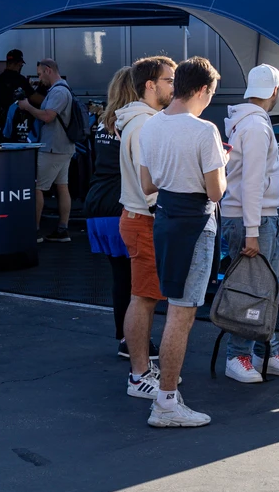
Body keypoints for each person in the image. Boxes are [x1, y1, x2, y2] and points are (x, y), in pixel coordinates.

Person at [137, 56, 224, 428]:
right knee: (181, 314)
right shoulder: (204, 131)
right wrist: (223, 164)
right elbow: (216, 191)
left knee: (174, 307)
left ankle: (167, 399)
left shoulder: (151, 126)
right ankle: (166, 403)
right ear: (202, 90)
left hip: (165, 220)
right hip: (193, 224)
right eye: (211, 94)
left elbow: (146, 186)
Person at [220, 64, 279, 384]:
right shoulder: (255, 126)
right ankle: (238, 355)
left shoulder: (247, 123)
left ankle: (262, 351)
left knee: (259, 289)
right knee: (253, 289)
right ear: (276, 91)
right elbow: (252, 183)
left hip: (251, 217)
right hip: (252, 219)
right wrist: (252, 231)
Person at [117, 56, 175, 400]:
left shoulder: (145, 121)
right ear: (149, 85)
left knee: (146, 297)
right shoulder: (144, 125)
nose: (174, 86)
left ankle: (142, 371)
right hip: (145, 220)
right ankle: (139, 375)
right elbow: (149, 184)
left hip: (144, 219)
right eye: (169, 80)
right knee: (144, 298)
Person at [83, 67, 138, 358]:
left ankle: (124, 337)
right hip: (122, 206)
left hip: (98, 204)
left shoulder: (104, 123)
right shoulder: (136, 124)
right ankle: (132, 341)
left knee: (121, 278)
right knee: (135, 282)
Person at [22, 58, 78, 242]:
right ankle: (62, 229)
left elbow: (48, 116)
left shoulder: (59, 92)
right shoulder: (62, 90)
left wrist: (28, 107)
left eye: (39, 74)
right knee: (62, 187)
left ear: (48, 70)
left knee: (38, 187)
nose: (39, 79)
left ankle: (35, 231)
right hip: (63, 147)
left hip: (53, 147)